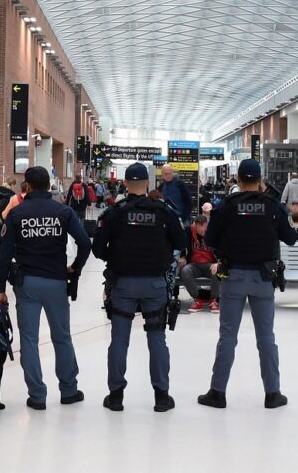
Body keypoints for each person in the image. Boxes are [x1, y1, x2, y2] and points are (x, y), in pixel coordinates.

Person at [198, 158, 296, 410]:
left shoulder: (227, 207)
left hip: (233, 277)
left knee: (228, 336)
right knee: (266, 337)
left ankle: (217, 393)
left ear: (239, 181)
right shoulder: (273, 206)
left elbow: (209, 239)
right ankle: (272, 393)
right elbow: (291, 238)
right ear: (260, 180)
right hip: (264, 278)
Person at [92, 162, 185, 413]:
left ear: (124, 183)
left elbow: (98, 250)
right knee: (157, 339)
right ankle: (162, 396)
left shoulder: (114, 213)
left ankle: (116, 396)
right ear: (147, 184)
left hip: (122, 284)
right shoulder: (164, 211)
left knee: (119, 340)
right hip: (155, 285)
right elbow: (180, 241)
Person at [0, 166, 91, 409]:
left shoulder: (17, 214)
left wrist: (0, 288)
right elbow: (84, 243)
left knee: (29, 339)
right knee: (62, 336)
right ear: (49, 185)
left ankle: (37, 395)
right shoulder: (63, 211)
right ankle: (68, 390)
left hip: (27, 283)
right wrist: (75, 268)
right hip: (57, 282)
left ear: (26, 186)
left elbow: (4, 255)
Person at [180, 214, 219, 313]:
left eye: (204, 229)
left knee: (218, 270)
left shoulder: (212, 231)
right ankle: (198, 299)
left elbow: (220, 247)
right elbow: (182, 244)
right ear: (195, 225)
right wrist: (183, 256)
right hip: (194, 264)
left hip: (210, 264)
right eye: (200, 230)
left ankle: (213, 300)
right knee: (185, 271)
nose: (202, 232)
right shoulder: (189, 231)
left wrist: (218, 262)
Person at [159, 164, 193, 230]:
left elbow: (189, 203)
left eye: (169, 173)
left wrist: (182, 219)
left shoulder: (180, 184)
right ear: (162, 174)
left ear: (172, 172)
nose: (168, 176)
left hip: (183, 221)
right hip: (168, 222)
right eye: (165, 174)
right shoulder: (161, 187)